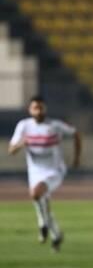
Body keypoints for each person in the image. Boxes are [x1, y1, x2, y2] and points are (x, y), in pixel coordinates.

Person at [8, 95, 82, 252]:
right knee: (43, 202)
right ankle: (56, 236)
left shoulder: (55, 125)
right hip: (34, 172)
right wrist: (22, 143)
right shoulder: (24, 126)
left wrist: (77, 158)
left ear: (45, 109)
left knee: (36, 194)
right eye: (35, 107)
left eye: (41, 107)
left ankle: (42, 224)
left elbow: (76, 133)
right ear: (30, 110)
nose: (39, 111)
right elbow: (11, 150)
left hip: (54, 171)